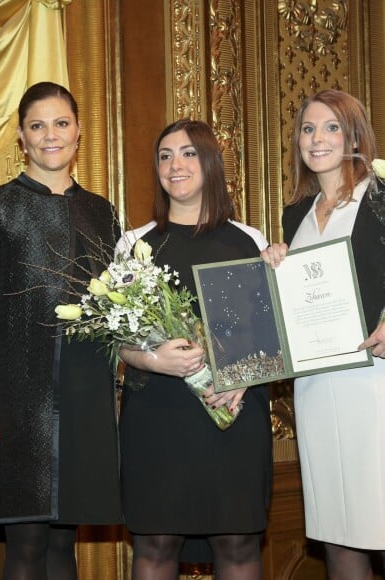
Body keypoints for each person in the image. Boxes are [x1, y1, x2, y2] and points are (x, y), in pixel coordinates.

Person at [0, 81, 122, 580]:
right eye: (37, 126)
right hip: (15, 399)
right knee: (25, 545)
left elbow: (117, 313)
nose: (51, 135)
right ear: (21, 139)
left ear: (78, 132)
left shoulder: (102, 212)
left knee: (62, 546)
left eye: (61, 123)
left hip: (83, 395)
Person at [117, 119, 272, 580]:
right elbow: (118, 342)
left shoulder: (252, 241)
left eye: (186, 153)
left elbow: (270, 337)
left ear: (209, 162)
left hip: (234, 415)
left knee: (239, 543)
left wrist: (244, 378)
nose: (174, 164)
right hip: (157, 417)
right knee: (155, 546)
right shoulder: (135, 246)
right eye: (165, 156)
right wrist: (152, 358)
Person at [261, 89, 385, 579]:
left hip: (375, 385)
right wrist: (276, 264)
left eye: (331, 127)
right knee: (338, 534)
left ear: (354, 135)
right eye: (308, 129)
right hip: (316, 388)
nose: (317, 138)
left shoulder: (380, 196)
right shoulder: (297, 214)